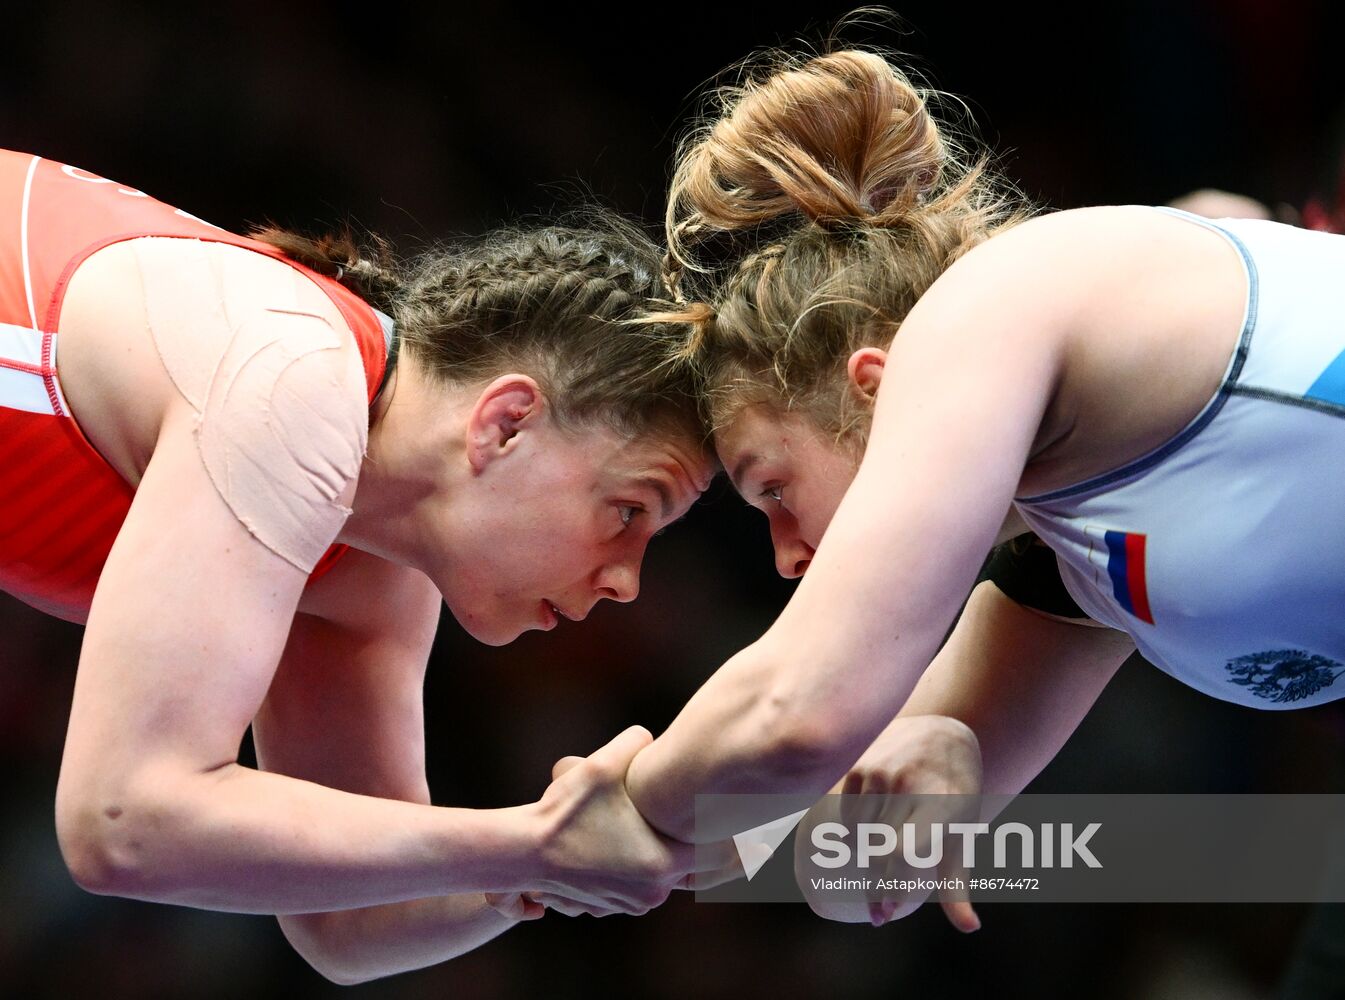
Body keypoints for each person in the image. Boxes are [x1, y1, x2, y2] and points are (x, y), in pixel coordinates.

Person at [614, 48, 1345, 926]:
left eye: (772, 488)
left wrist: (604, 806)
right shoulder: (1067, 558)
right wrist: (941, 746)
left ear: (876, 385)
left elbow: (791, 708)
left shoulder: (996, 299)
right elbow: (852, 878)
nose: (787, 557)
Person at [0, 149, 721, 983]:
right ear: (506, 423)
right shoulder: (293, 382)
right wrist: (532, 843)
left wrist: (562, 856)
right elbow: (121, 821)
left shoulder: (377, 564)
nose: (627, 580)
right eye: (629, 511)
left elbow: (351, 925)